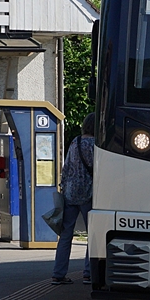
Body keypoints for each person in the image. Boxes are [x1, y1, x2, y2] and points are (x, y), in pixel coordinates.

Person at [51, 113, 95, 285]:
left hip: (70, 193)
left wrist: (63, 187)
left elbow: (66, 167)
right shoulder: (95, 144)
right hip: (88, 193)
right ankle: (88, 273)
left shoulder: (75, 142)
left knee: (65, 235)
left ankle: (58, 274)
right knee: (93, 235)